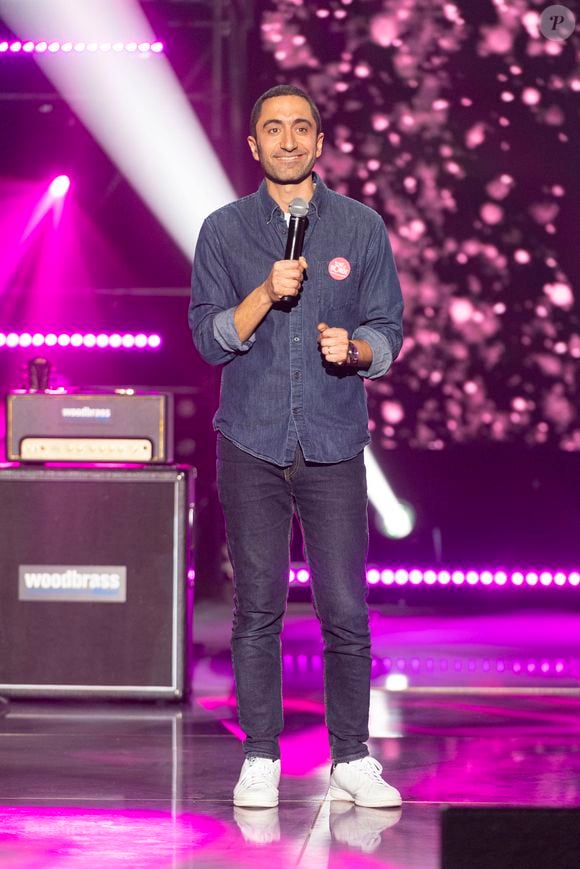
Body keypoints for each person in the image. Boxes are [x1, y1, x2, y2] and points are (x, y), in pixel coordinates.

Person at [189, 84, 404, 809]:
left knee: (345, 607)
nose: (288, 140)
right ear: (253, 146)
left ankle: (352, 755)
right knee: (258, 607)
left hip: (335, 443)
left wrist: (357, 349)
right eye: (273, 129)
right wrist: (264, 293)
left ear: (318, 142)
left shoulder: (361, 226)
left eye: (301, 128)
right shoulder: (222, 230)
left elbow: (390, 330)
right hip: (249, 443)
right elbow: (208, 336)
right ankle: (260, 755)